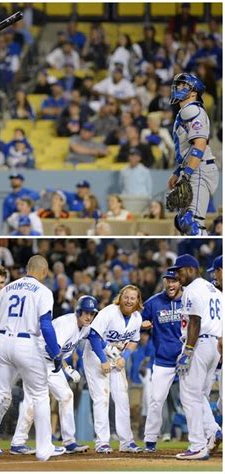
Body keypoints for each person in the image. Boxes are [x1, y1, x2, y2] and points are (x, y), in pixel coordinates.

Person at [0, 255, 66, 461]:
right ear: (44, 271)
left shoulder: (6, 289)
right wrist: (55, 351)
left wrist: (1, 344)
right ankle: (44, 449)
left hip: (2, 341)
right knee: (40, 394)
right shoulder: (43, 291)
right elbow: (46, 325)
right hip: (26, 342)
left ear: (26, 268)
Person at [10, 296, 98, 455]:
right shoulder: (67, 324)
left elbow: (63, 351)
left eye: (92, 314)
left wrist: (67, 367)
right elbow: (53, 348)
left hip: (50, 362)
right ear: (78, 311)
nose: (89, 316)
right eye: (86, 312)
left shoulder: (84, 327)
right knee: (32, 401)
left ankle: (69, 442)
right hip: (36, 359)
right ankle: (18, 443)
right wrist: (66, 368)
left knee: (66, 396)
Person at [169, 254, 222, 460]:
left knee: (189, 395)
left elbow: (195, 321)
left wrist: (189, 350)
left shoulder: (192, 290)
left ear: (191, 269)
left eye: (180, 270)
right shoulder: (215, 290)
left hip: (198, 344)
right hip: (215, 346)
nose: (177, 275)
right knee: (199, 394)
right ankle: (212, 430)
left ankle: (198, 445)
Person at [83, 285, 143, 453]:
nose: (129, 301)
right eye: (126, 297)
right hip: (96, 356)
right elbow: (93, 336)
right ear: (120, 297)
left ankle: (127, 441)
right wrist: (103, 360)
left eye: (133, 298)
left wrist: (125, 358)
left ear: (138, 301)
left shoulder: (137, 318)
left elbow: (134, 341)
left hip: (116, 357)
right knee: (101, 398)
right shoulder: (109, 312)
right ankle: (102, 442)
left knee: (122, 398)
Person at [167, 73, 219, 235]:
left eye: (184, 85)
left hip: (200, 169)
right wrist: (178, 172)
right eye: (178, 85)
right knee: (183, 223)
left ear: (193, 92)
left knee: (192, 223)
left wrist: (187, 174)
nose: (179, 88)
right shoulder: (186, 111)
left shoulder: (192, 110)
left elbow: (200, 144)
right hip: (194, 167)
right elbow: (188, 149)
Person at [141, 269, 183, 453]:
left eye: (174, 280)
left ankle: (209, 434)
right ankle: (150, 440)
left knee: (195, 399)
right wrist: (141, 325)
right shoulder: (154, 302)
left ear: (180, 282)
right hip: (163, 360)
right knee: (156, 400)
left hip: (186, 359)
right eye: (168, 280)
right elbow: (136, 320)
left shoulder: (189, 300)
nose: (171, 284)